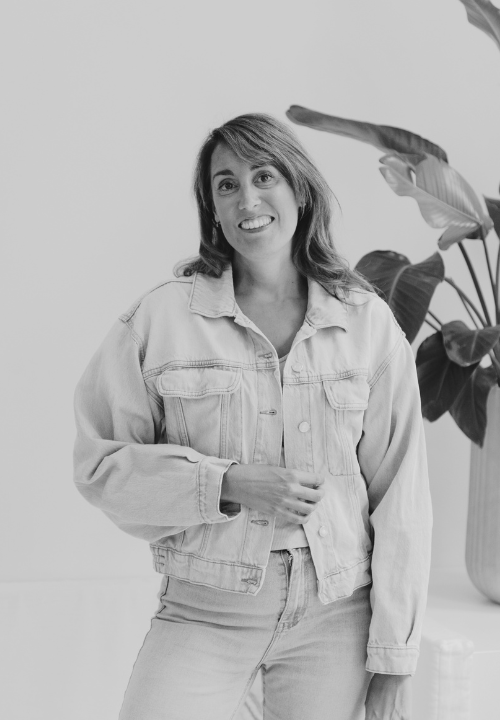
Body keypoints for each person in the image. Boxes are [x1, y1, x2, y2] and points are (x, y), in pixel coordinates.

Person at [73, 113, 432, 720]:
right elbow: (101, 468)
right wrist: (227, 483)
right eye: (227, 184)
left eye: (264, 176)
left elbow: (402, 497)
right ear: (212, 208)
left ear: (299, 190)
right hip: (204, 609)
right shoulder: (160, 321)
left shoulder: (366, 324)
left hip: (337, 616)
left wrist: (394, 660)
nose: (247, 199)